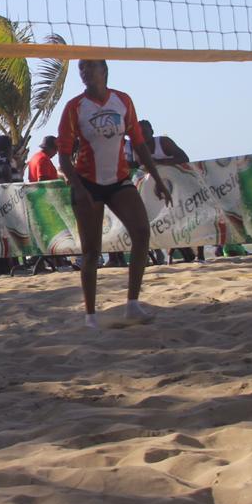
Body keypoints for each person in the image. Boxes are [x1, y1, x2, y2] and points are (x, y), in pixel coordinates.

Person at [57, 59, 173, 328]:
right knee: (91, 252)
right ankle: (90, 316)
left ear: (104, 71)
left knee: (142, 232)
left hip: (119, 179)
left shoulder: (122, 101)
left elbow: (140, 145)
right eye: (81, 68)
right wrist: (77, 186)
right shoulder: (74, 107)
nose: (84, 72)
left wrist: (157, 178)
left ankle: (132, 304)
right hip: (87, 182)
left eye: (90, 67)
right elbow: (63, 157)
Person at [128, 120, 200, 263]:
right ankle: (171, 254)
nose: (143, 135)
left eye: (145, 132)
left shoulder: (164, 142)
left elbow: (184, 158)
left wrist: (160, 163)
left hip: (179, 185)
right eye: (139, 133)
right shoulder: (136, 149)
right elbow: (139, 168)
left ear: (152, 132)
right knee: (162, 222)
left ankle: (199, 254)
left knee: (189, 218)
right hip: (155, 192)